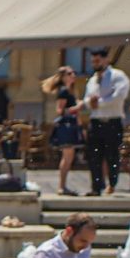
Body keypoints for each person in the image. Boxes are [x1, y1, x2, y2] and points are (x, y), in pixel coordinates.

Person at [83, 49, 130, 196]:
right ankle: (96, 187)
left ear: (106, 59)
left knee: (112, 155)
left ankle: (112, 183)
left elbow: (119, 96)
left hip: (112, 121)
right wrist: (90, 103)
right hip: (95, 121)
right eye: (93, 61)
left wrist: (99, 103)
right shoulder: (92, 80)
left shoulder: (118, 76)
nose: (95, 64)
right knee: (94, 156)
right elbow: (87, 99)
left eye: (97, 61)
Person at [41, 67, 84, 196]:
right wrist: (77, 107)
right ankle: (61, 186)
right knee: (67, 157)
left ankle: (63, 186)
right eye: (70, 73)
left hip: (70, 126)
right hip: (66, 126)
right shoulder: (64, 91)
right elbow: (60, 110)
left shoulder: (69, 91)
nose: (73, 75)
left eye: (74, 72)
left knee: (69, 157)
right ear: (63, 76)